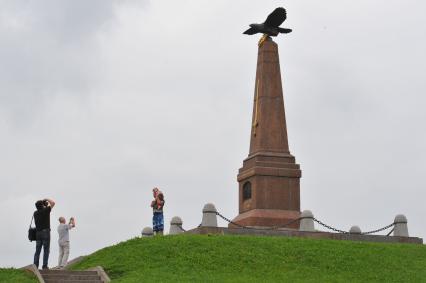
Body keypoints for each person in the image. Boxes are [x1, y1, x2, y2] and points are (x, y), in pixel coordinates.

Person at [33, 198, 55, 269]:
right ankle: (45, 266)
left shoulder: (35, 213)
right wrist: (46, 199)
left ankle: (35, 266)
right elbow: (53, 203)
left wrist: (43, 204)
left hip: (38, 233)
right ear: (42, 205)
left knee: (37, 251)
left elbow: (43, 208)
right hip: (45, 232)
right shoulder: (45, 211)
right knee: (46, 250)